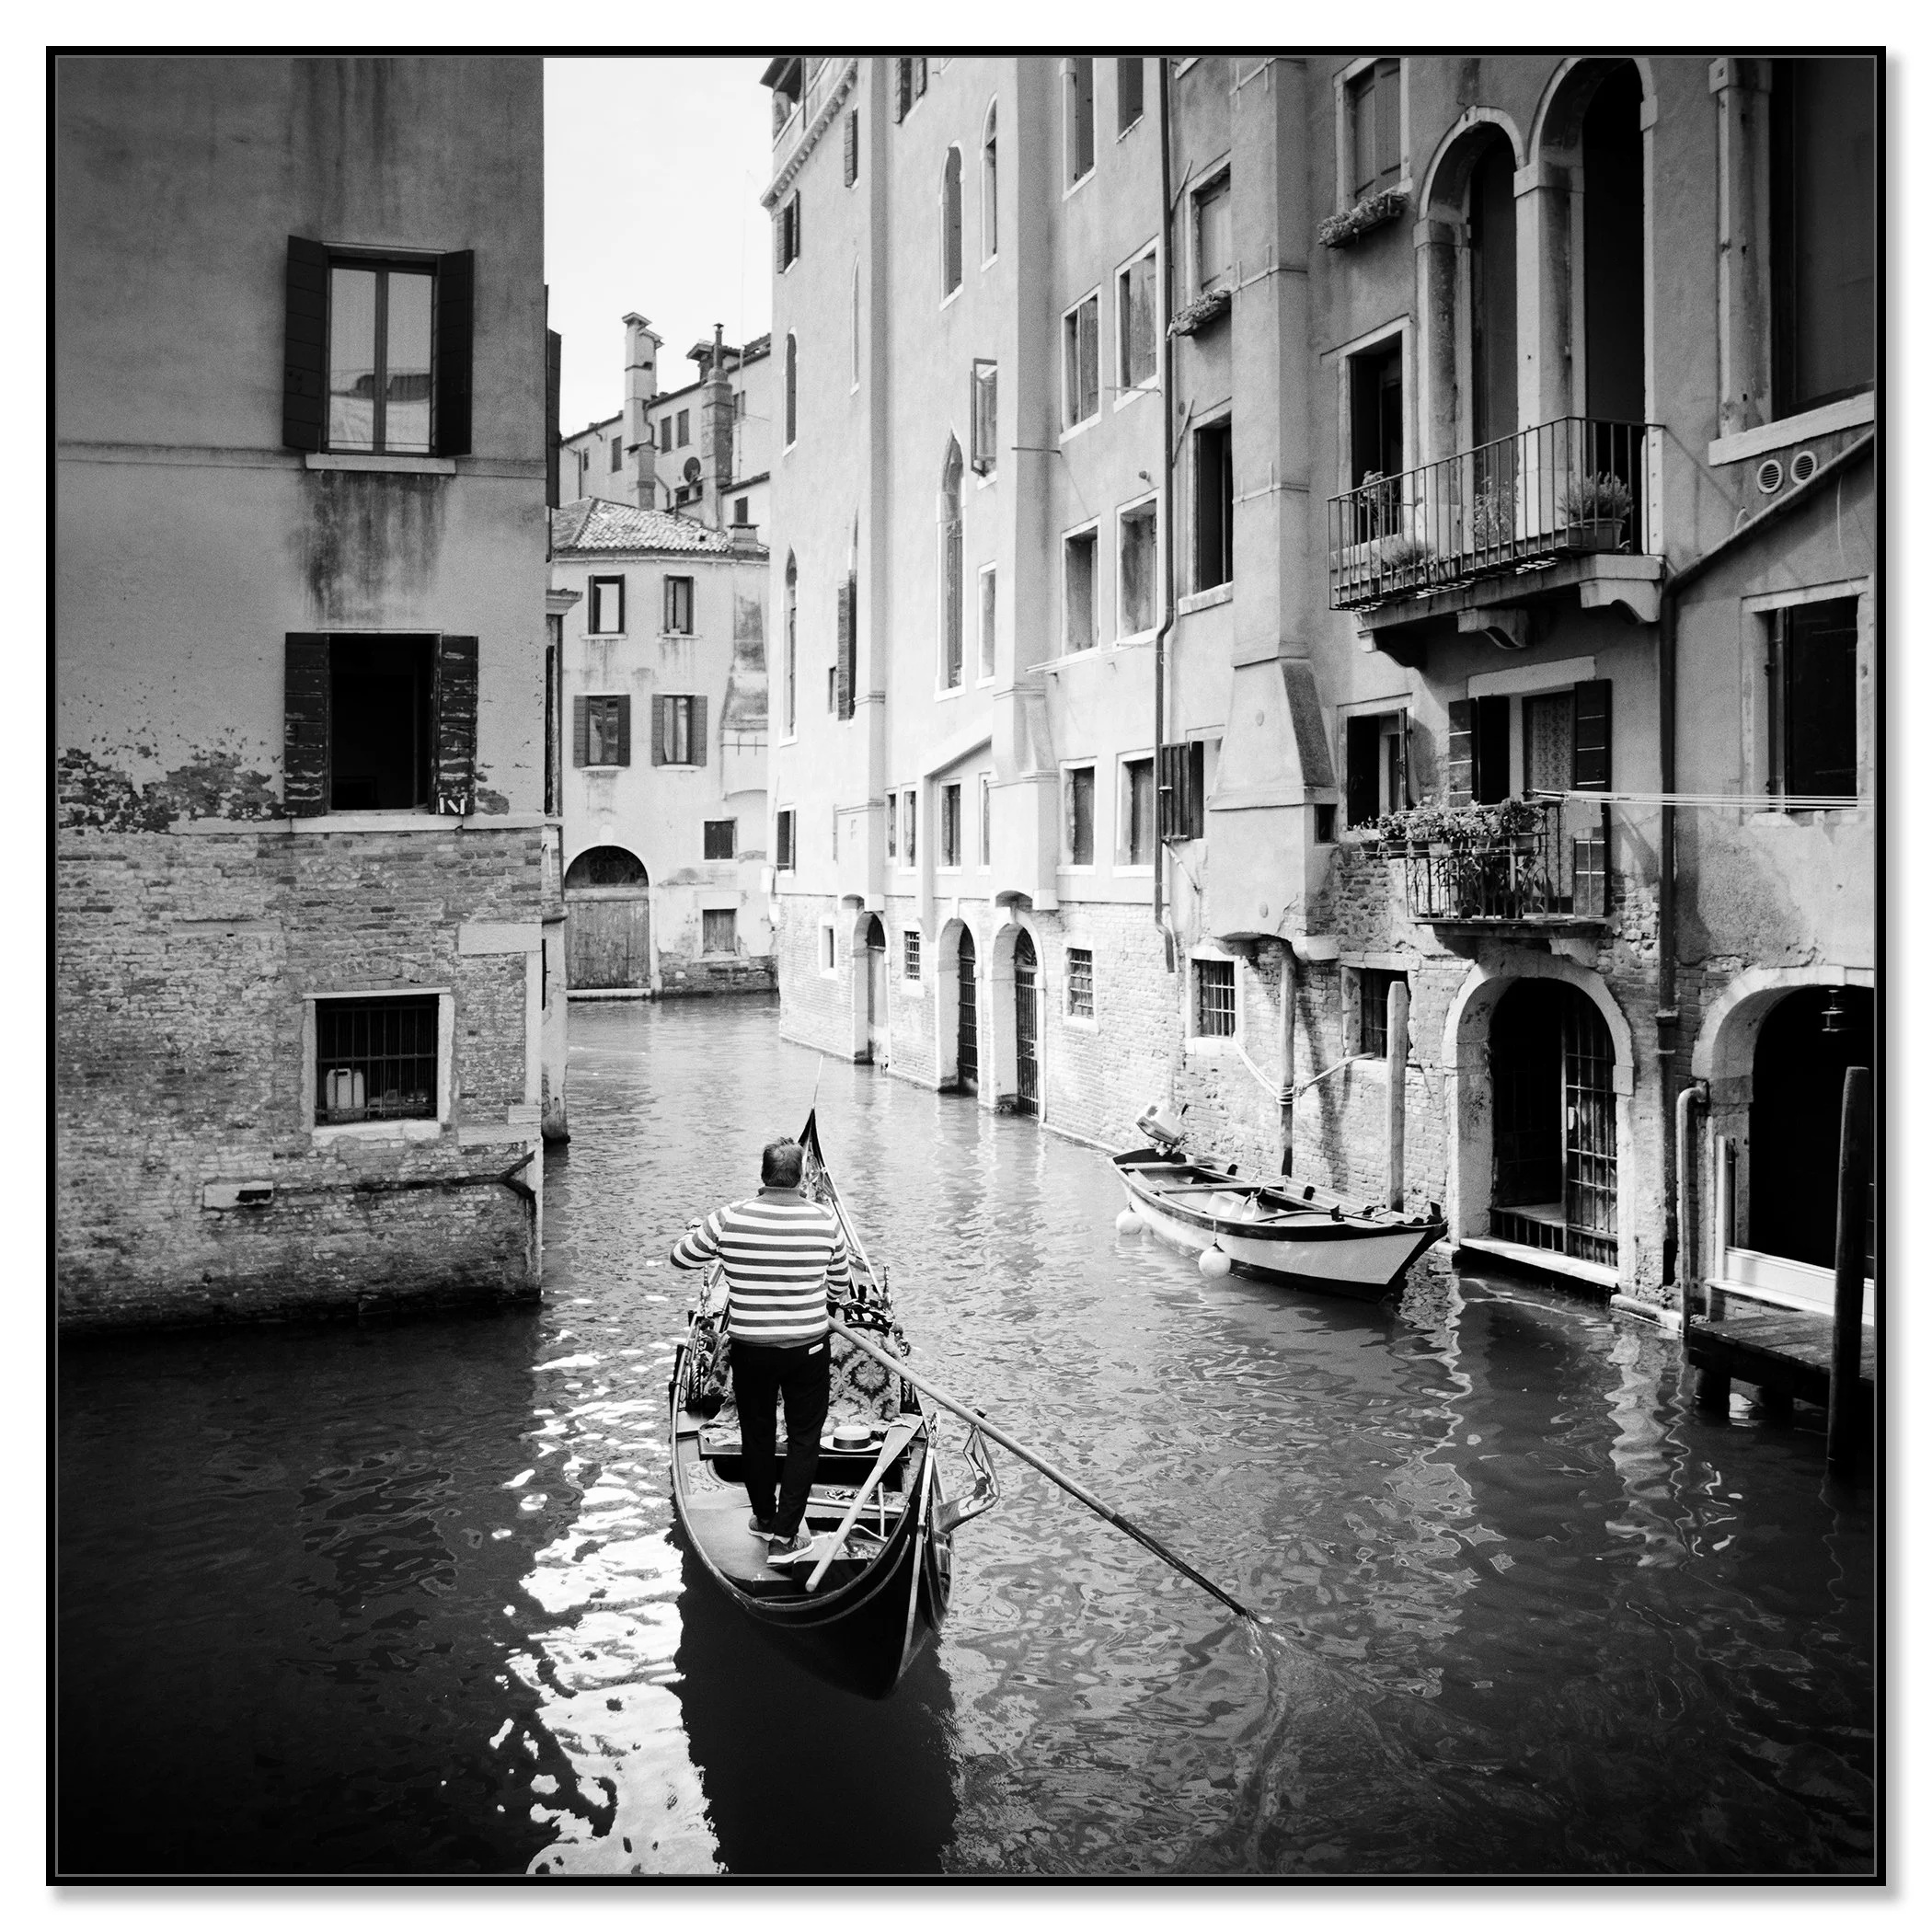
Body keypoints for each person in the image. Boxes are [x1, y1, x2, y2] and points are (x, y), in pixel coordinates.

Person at [670, 1137, 851, 1564]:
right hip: (807, 1348)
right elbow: (840, 1289)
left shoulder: (728, 1218)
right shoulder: (826, 1220)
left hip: (751, 1350)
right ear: (803, 1177)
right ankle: (786, 1537)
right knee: (805, 1439)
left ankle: (765, 1519)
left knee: (757, 1435)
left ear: (763, 1175)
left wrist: (699, 1235)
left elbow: (680, 1258)